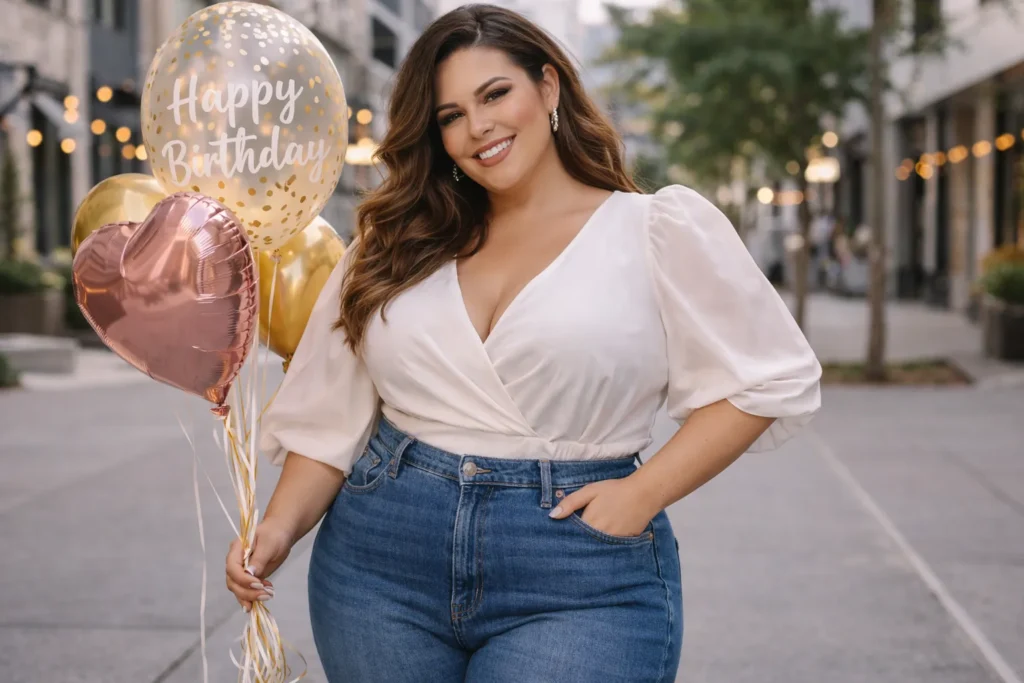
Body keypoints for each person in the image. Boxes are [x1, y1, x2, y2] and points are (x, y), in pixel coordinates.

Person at [224, 5, 822, 681]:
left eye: (494, 94)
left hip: (576, 568)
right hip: (379, 560)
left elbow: (767, 379)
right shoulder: (395, 244)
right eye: (450, 115)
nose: (478, 127)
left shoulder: (654, 229)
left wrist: (641, 494)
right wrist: (277, 527)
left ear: (549, 87)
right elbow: (330, 412)